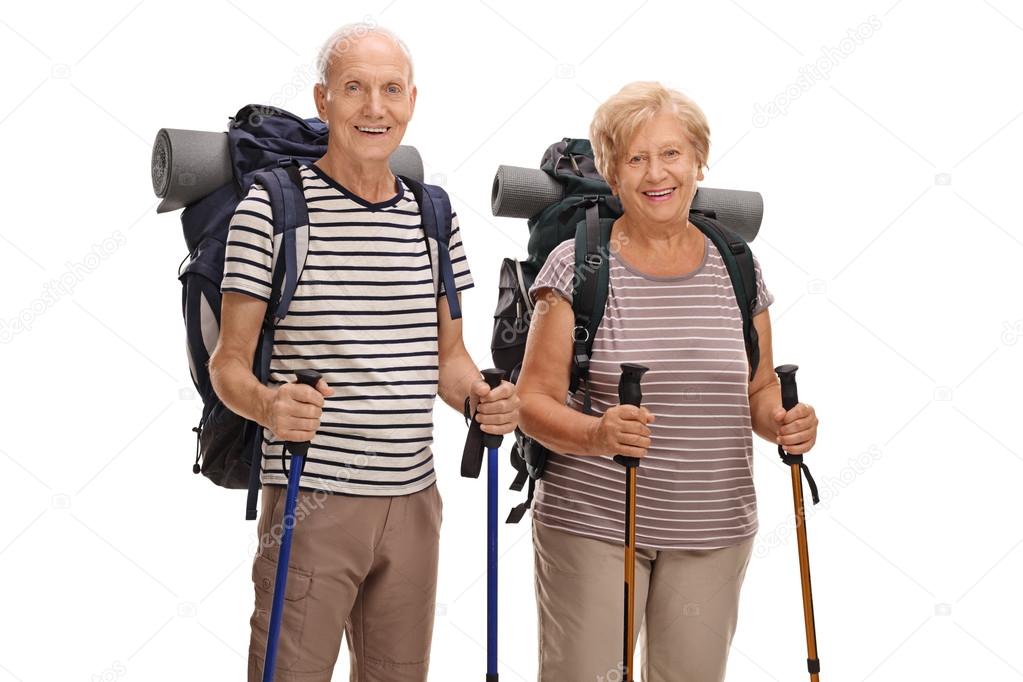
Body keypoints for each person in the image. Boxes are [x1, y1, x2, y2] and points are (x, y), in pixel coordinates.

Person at [209, 23, 519, 682]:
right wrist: (268, 404)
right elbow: (227, 366)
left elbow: (450, 358)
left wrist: (481, 399)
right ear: (324, 101)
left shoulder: (433, 215)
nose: (374, 108)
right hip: (310, 495)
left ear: (411, 101)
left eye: (390, 90)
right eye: (354, 89)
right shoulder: (270, 208)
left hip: (414, 503)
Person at [516, 81, 819, 682]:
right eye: (635, 158)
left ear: (698, 161)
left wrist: (782, 420)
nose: (657, 173)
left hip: (714, 528)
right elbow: (531, 402)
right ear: (610, 171)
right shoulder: (575, 265)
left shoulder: (737, 264)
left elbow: (757, 390)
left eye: (672, 154)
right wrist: (599, 433)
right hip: (593, 524)